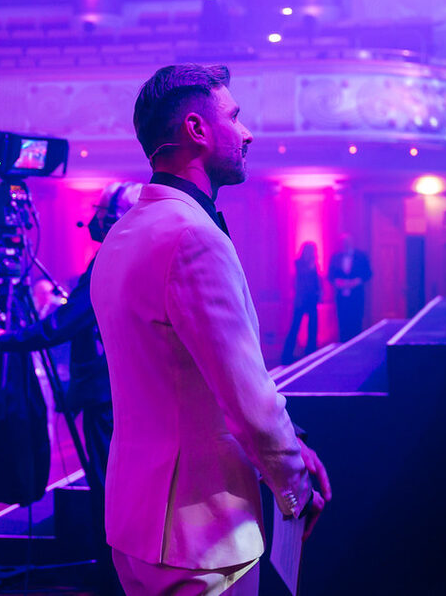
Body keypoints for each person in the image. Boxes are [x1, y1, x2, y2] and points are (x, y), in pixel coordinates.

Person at [91, 63, 331, 596]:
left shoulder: (123, 233)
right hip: (198, 537)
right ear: (198, 130)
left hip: (135, 523)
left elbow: (182, 386)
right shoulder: (191, 236)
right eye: (235, 117)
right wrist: (293, 487)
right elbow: (249, 402)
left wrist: (294, 445)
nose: (248, 133)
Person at [0, 181, 141, 595]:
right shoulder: (140, 252)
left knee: (108, 485)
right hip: (127, 390)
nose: (93, 219)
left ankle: (113, 575)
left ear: (115, 216)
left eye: (101, 210)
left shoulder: (114, 255)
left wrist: (5, 340)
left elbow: (63, 324)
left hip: (107, 393)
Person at [280, 241, 321, 365]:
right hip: (301, 300)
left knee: (313, 327)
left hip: (312, 299)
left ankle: (311, 353)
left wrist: (319, 292)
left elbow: (316, 281)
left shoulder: (314, 264)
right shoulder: (299, 263)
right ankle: (286, 355)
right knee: (295, 327)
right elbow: (301, 280)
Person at [328, 234, 373, 342]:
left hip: (356, 297)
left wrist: (356, 281)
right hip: (341, 298)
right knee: (342, 322)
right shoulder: (336, 257)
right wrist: (337, 282)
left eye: (348, 242)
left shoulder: (361, 257)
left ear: (352, 243)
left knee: (356, 322)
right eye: (344, 243)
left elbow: (368, 273)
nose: (346, 245)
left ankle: (356, 344)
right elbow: (330, 275)